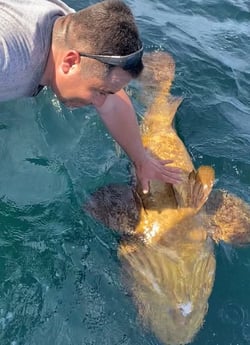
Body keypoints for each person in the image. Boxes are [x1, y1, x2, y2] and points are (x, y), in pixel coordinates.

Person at [0, 0, 182, 193]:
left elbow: (113, 104)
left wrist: (141, 161)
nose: (97, 101)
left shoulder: (72, 32)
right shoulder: (10, 59)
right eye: (99, 91)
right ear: (70, 62)